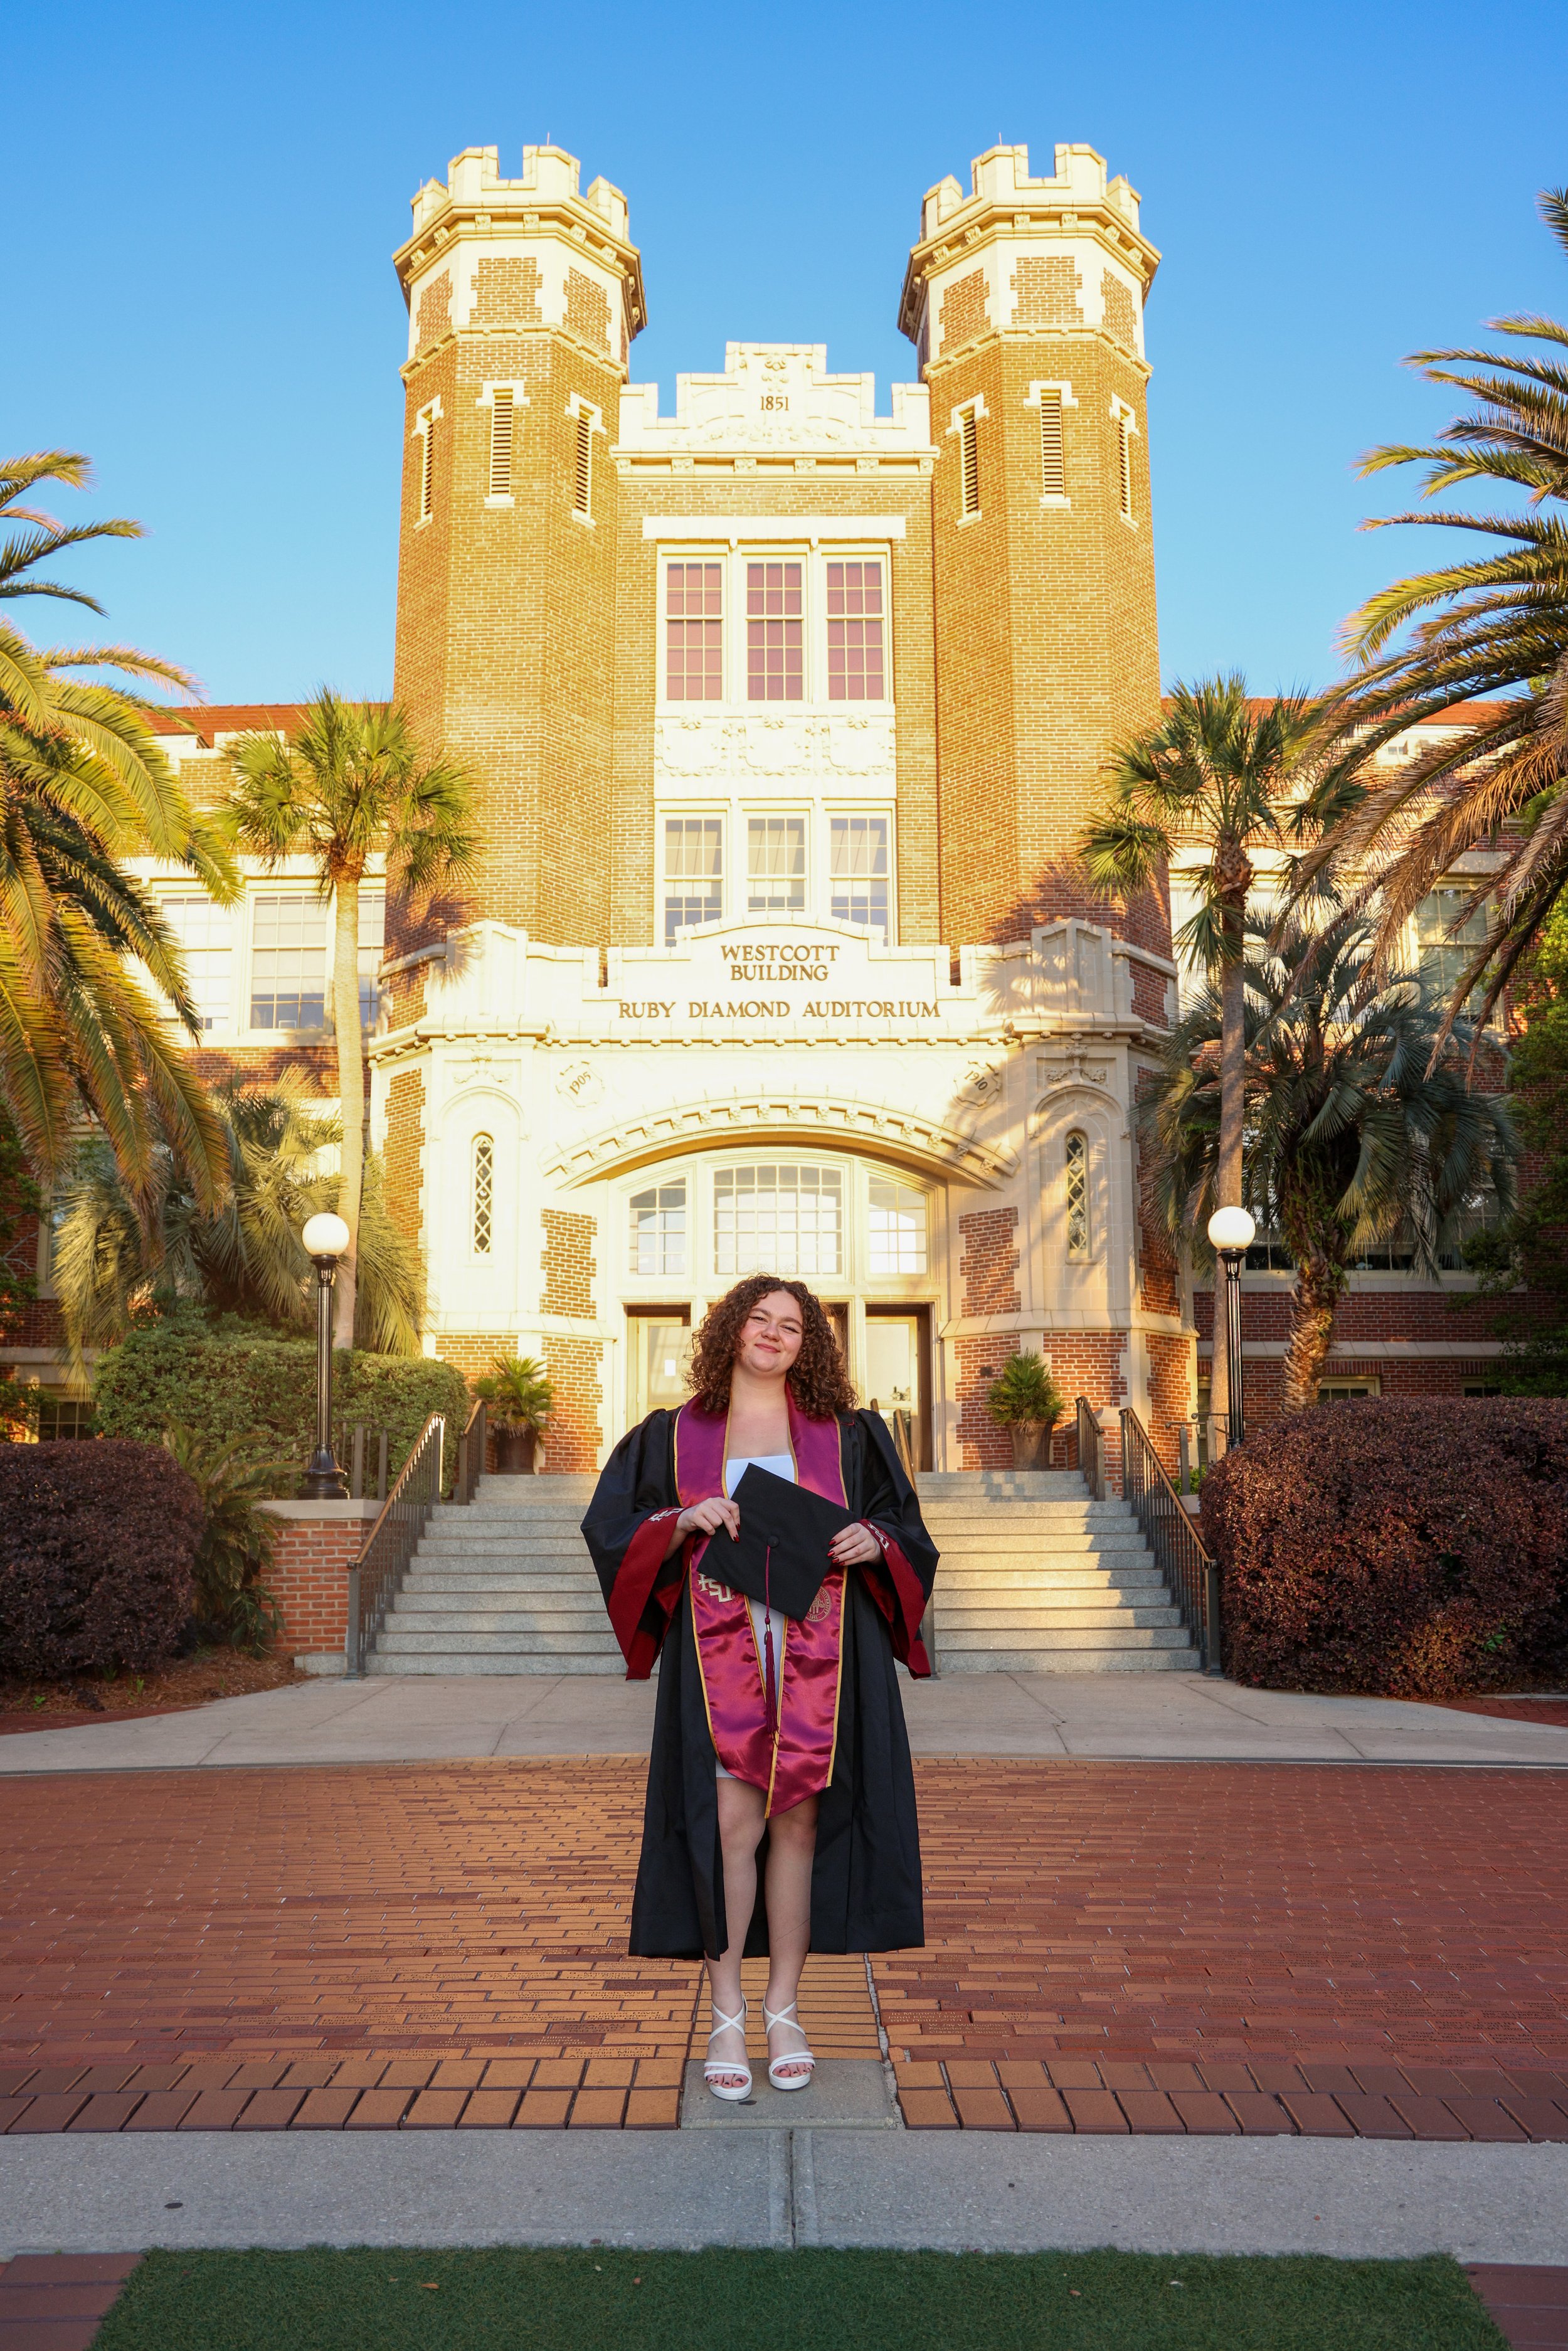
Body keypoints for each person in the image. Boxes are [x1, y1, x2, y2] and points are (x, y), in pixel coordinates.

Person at [581, 1273, 938, 2101]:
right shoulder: (671, 1437)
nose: (776, 1334)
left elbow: (904, 1530)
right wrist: (681, 1522)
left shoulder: (849, 1434)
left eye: (793, 1325)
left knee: (800, 1821)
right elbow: (611, 1527)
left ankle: (786, 2009)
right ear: (731, 1330)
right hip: (720, 1651)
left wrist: (870, 1539)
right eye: (761, 1319)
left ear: (807, 1344)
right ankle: (729, 2014)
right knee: (732, 1823)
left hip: (819, 1645)